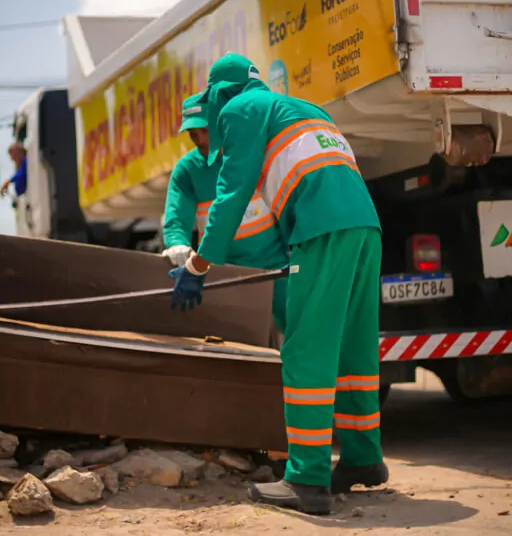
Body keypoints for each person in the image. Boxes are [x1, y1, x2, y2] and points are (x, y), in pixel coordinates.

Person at [169, 53, 386, 515]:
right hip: (365, 227)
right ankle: (364, 459)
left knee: (306, 351)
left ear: (219, 95)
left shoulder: (239, 110)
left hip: (322, 230)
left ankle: (307, 481)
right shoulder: (306, 109)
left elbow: (231, 194)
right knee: (354, 347)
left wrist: (199, 266)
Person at [161, 95, 289, 335]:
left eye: (204, 131)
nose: (200, 140)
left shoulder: (252, 153)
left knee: (303, 331)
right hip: (224, 275)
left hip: (275, 267)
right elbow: (177, 218)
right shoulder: (187, 171)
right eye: (193, 134)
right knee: (233, 345)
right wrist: (177, 244)